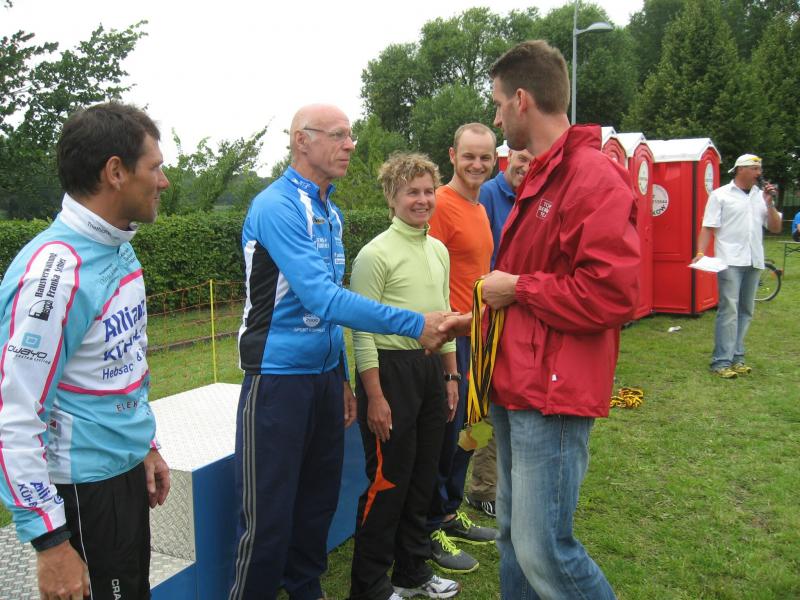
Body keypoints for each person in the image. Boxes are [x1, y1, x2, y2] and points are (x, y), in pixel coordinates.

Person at [441, 40, 641, 598]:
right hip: (518, 385)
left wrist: (518, 287)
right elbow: (524, 293)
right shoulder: (543, 176)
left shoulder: (592, 177)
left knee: (544, 548)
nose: (497, 116)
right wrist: (474, 320)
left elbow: (613, 293)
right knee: (513, 538)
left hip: (552, 395)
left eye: (498, 103)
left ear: (522, 100)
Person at [230, 104, 451, 600]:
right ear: (301, 141)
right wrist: (416, 324)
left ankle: (307, 590)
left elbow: (330, 314)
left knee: (317, 505)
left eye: (350, 135)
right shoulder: (276, 205)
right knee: (268, 519)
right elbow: (324, 298)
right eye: (338, 135)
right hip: (277, 378)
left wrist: (342, 378)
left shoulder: (331, 213)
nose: (350, 144)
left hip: (324, 379)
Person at [0, 102, 171, 600]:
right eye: (154, 168)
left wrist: (144, 444)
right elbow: (13, 414)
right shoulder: (54, 275)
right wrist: (51, 542)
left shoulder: (118, 244)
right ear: (115, 172)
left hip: (122, 474)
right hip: (80, 492)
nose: (163, 181)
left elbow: (122, 362)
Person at [348, 153, 461, 600]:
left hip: (430, 371)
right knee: (388, 482)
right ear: (391, 198)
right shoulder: (374, 254)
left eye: (428, 191)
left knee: (422, 477)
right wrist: (375, 396)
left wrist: (451, 378)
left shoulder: (438, 250)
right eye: (411, 192)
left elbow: (445, 318)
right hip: (389, 373)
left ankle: (411, 572)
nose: (422, 200)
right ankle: (369, 584)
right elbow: (360, 332)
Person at [425, 123, 499, 574]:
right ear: (452, 156)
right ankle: (432, 521)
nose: (477, 164)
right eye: (469, 156)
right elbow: (426, 274)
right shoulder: (441, 204)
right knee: (447, 432)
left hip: (483, 335)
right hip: (454, 341)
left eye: (485, 157)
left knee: (478, 427)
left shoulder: (480, 207)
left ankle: (452, 509)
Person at [465, 147, 533, 520]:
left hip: (519, 313)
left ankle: (497, 483)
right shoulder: (489, 195)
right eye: (521, 158)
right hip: (487, 315)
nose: (526, 165)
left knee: (504, 401)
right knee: (483, 407)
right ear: (506, 159)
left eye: (533, 160)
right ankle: (482, 487)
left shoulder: (536, 195)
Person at [695, 154, 782, 378]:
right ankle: (721, 361)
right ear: (740, 169)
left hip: (754, 260)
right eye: (755, 169)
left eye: (759, 169)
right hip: (729, 260)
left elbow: (775, 228)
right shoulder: (720, 195)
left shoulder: (760, 196)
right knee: (729, 310)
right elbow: (708, 226)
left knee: (746, 311)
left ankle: (737, 357)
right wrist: (700, 253)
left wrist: (770, 204)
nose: (759, 173)